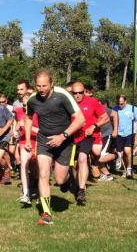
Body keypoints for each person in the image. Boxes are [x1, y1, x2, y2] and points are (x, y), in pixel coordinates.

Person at [25, 70, 85, 225]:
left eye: (44, 85)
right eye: (38, 86)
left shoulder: (63, 95)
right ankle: (46, 214)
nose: (41, 89)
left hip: (64, 140)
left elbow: (80, 119)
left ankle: (67, 180)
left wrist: (62, 136)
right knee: (44, 174)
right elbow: (28, 118)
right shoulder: (32, 100)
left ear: (51, 83)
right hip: (44, 139)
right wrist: (26, 140)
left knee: (59, 179)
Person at [70, 82, 109, 205]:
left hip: (87, 136)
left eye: (80, 93)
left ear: (84, 91)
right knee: (72, 166)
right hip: (71, 137)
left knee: (82, 158)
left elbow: (105, 117)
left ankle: (81, 190)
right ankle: (77, 185)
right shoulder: (68, 103)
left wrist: (94, 126)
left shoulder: (92, 101)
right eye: (74, 93)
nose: (77, 95)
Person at [15, 92, 38, 205]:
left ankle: (40, 192)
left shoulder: (38, 112)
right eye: (23, 100)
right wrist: (16, 130)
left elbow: (42, 132)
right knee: (24, 165)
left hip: (37, 142)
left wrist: (28, 126)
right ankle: (26, 193)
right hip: (24, 142)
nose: (24, 103)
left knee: (37, 168)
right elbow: (17, 125)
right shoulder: (18, 111)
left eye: (27, 99)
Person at [114, 94, 137, 178]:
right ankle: (125, 170)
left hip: (129, 133)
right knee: (120, 153)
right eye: (118, 103)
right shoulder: (115, 109)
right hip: (119, 133)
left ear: (125, 101)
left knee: (127, 150)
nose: (120, 105)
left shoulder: (132, 108)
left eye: (121, 103)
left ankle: (129, 168)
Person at [98, 99, 119, 181]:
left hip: (106, 134)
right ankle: (107, 174)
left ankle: (117, 156)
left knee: (100, 158)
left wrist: (115, 130)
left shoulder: (102, 108)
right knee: (95, 157)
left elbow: (115, 114)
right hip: (97, 136)